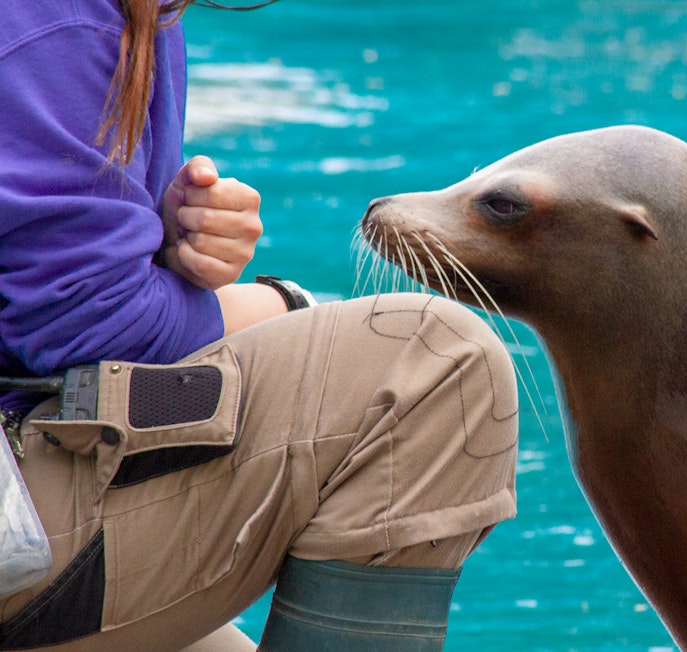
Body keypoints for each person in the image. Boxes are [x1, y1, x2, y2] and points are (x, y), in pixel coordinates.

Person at [0, 1, 519, 650]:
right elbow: (89, 326)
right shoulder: (59, 16)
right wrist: (284, 305)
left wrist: (147, 233)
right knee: (436, 363)